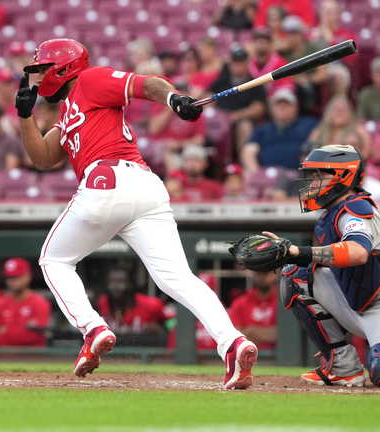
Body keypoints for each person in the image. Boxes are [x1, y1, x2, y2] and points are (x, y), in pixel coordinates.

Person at [15, 37, 258, 389]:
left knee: (54, 261)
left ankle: (93, 328)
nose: (37, 79)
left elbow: (146, 85)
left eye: (40, 70)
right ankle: (233, 342)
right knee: (177, 278)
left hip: (107, 179)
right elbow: (41, 158)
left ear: (61, 67)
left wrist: (173, 98)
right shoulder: (68, 113)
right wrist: (26, 116)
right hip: (145, 188)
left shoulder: (90, 80)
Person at [265, 144, 380, 387]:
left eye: (319, 176)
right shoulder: (330, 215)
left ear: (343, 176)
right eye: (311, 176)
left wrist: (297, 251)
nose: (312, 183)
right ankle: (342, 366)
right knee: (297, 275)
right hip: (363, 301)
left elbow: (358, 253)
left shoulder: (355, 210)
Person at [240, 87, 319, 173]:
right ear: (271, 108)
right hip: (267, 175)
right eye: (278, 104)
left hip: (298, 175)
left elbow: (317, 143)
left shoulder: (309, 124)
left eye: (286, 104)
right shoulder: (262, 129)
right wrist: (257, 174)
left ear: (295, 107)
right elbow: (248, 151)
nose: (282, 107)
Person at [206, 47, 267, 155]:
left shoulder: (255, 83)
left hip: (240, 119)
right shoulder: (222, 80)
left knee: (245, 126)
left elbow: (258, 108)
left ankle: (242, 159)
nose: (237, 66)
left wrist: (233, 116)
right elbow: (208, 98)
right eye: (235, 62)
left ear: (247, 63)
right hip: (219, 117)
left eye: (241, 62)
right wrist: (217, 115)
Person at [0, 258, 52, 347]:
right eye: (8, 278)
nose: (11, 282)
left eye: (15, 277)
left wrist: (6, 331)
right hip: (4, 358)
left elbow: (37, 336)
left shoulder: (40, 303)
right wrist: (23, 330)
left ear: (27, 277)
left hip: (33, 358)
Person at [147, 83, 206, 173]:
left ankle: (183, 181)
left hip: (184, 148)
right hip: (162, 146)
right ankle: (175, 178)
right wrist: (171, 107)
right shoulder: (160, 105)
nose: (180, 95)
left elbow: (199, 140)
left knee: (194, 153)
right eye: (176, 92)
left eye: (183, 92)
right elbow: (153, 129)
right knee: (166, 150)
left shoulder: (193, 111)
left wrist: (179, 144)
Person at [96, 268, 175, 336]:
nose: (115, 287)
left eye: (120, 282)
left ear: (130, 284)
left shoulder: (151, 304)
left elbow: (174, 322)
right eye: (112, 282)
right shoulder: (103, 302)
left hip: (145, 349)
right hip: (114, 350)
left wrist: (162, 329)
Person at [280, 15, 327, 116]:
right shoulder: (283, 51)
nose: (290, 37)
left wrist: (307, 78)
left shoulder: (312, 47)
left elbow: (322, 74)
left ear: (301, 34)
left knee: (305, 87)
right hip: (289, 85)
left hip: (311, 86)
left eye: (294, 34)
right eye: (288, 34)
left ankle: (308, 114)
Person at [166, 272, 221, 351]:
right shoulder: (184, 317)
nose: (204, 296)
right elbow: (172, 354)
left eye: (209, 291)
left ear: (216, 292)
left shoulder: (226, 316)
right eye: (200, 292)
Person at [228, 270, 279, 351]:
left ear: (275, 274)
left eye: (265, 273)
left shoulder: (283, 300)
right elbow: (233, 337)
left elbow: (286, 334)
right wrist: (270, 333)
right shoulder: (240, 303)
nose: (261, 277)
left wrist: (250, 331)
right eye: (258, 273)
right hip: (246, 356)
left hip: (278, 357)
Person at [307, 95, 371, 148]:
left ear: (350, 114)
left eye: (343, 109)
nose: (339, 111)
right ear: (328, 113)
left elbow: (366, 155)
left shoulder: (358, 130)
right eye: (336, 108)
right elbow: (307, 155)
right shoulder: (319, 132)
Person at [247, 27, 295, 96]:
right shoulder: (250, 62)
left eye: (264, 41)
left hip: (276, 99)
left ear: (270, 44)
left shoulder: (279, 61)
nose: (261, 43)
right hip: (257, 100)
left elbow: (287, 88)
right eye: (258, 40)